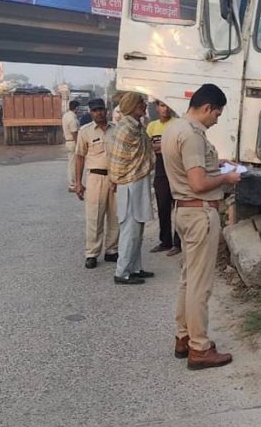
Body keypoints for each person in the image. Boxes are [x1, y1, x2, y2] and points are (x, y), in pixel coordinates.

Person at [163, 83, 241, 370]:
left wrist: (217, 163)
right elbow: (197, 183)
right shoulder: (193, 135)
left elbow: (191, 169)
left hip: (183, 212)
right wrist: (227, 178)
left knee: (187, 279)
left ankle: (184, 337)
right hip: (200, 213)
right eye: (217, 114)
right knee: (200, 285)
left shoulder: (174, 128)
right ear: (207, 108)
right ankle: (199, 348)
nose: (216, 120)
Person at [108, 92, 155, 285]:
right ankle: (122, 272)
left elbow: (145, 153)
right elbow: (121, 162)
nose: (144, 106)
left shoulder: (136, 126)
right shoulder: (126, 129)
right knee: (130, 229)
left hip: (138, 181)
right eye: (141, 103)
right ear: (133, 106)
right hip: (129, 184)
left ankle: (135, 268)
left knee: (138, 228)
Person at [74, 99, 120, 268]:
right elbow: (79, 157)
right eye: (95, 110)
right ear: (91, 112)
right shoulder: (85, 132)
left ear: (106, 110)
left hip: (115, 178)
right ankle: (92, 253)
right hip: (95, 178)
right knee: (94, 216)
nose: (98, 113)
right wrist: (78, 183)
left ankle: (112, 250)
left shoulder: (116, 130)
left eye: (101, 109)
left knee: (115, 216)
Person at [146, 100, 182, 256]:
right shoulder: (152, 126)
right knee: (163, 207)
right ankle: (165, 241)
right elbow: (147, 147)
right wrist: (165, 146)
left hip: (176, 168)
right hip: (160, 169)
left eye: (167, 105)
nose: (165, 108)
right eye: (161, 105)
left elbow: (177, 146)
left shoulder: (177, 124)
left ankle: (178, 243)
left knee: (179, 208)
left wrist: (161, 147)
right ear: (157, 108)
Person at [62, 100, 81, 192]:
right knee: (73, 164)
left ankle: (73, 183)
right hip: (73, 142)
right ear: (76, 108)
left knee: (71, 163)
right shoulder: (72, 119)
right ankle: (72, 184)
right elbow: (74, 133)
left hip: (68, 142)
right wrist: (79, 144)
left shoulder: (66, 115)